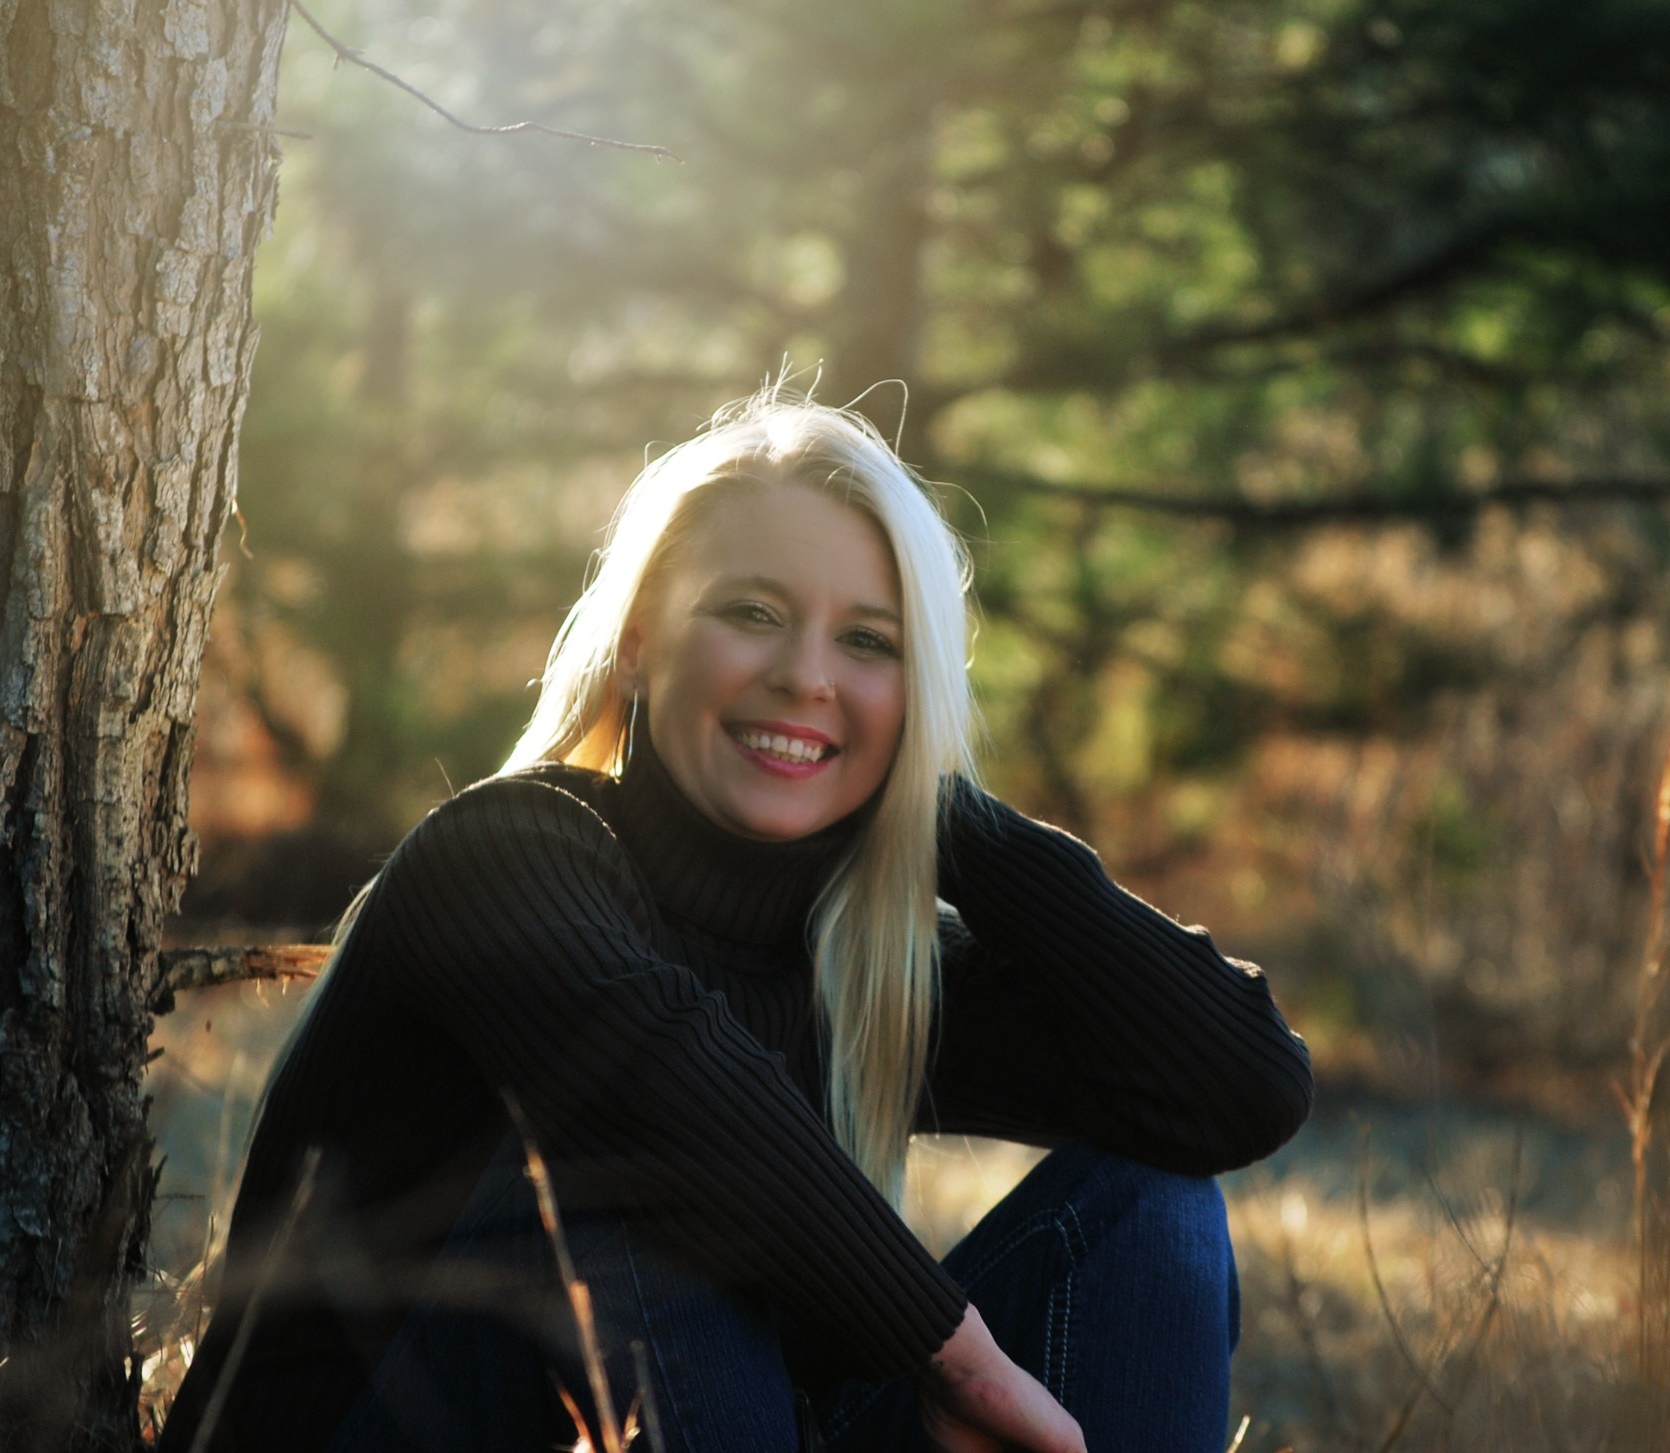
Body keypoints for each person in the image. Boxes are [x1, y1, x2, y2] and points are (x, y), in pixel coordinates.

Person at [157, 388, 1313, 1453]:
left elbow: (1236, 1085)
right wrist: (950, 1353)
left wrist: (935, 803)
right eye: (751, 613)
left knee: (1150, 1215)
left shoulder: (857, 958)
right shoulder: (502, 856)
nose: (806, 677)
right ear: (641, 642)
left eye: (869, 642)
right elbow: (661, 1083)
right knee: (649, 1177)